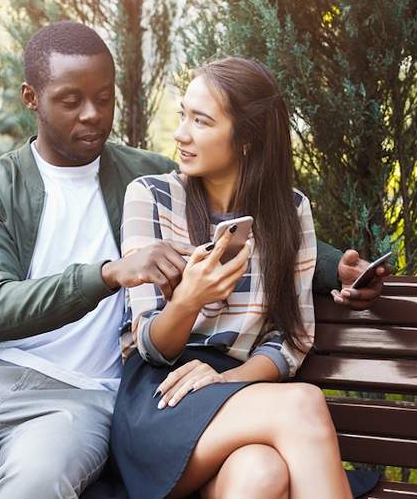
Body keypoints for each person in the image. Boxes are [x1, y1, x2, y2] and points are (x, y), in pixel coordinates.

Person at [0, 22, 385, 498]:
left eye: (105, 97)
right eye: (71, 100)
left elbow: (250, 212)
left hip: (85, 396)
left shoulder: (148, 173)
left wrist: (338, 269)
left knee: (40, 482)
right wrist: (108, 274)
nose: (92, 115)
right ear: (31, 99)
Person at [111, 57, 382, 499]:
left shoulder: (291, 211)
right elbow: (149, 345)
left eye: (201, 121)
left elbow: (290, 339)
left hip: (241, 392)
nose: (181, 133)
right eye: (183, 115)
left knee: (260, 473)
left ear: (247, 140)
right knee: (303, 402)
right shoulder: (150, 196)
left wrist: (226, 380)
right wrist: (188, 300)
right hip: (162, 398)